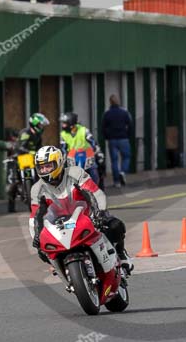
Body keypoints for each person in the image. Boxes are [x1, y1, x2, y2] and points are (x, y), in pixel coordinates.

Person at [30, 145, 133, 274]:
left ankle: (121, 254)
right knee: (42, 251)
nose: (45, 170)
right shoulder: (37, 189)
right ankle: (63, 270)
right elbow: (35, 216)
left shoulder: (75, 173)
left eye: (48, 166)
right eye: (41, 167)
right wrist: (37, 237)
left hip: (87, 216)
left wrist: (100, 213)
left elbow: (95, 193)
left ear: (59, 162)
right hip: (59, 226)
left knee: (114, 225)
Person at [59, 112, 105, 187]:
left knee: (98, 165)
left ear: (71, 124)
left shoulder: (84, 130)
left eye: (65, 123)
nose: (63, 125)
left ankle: (98, 186)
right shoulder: (63, 134)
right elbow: (63, 148)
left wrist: (98, 152)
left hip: (87, 155)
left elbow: (93, 142)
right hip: (72, 157)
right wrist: (63, 159)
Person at [101, 94, 133, 188]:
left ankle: (116, 182)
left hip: (112, 140)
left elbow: (103, 127)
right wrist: (128, 135)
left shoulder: (107, 113)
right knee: (126, 157)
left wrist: (107, 137)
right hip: (123, 138)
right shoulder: (124, 112)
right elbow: (130, 125)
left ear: (110, 102)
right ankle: (122, 172)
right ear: (118, 101)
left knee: (114, 161)